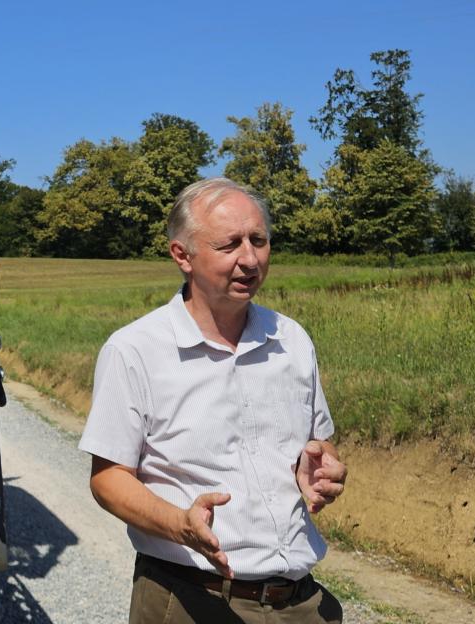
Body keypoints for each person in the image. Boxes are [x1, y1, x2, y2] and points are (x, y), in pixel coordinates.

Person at [79, 178, 349, 623]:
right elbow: (108, 479)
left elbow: (321, 444)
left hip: (300, 601)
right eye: (230, 245)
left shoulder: (291, 339)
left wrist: (323, 467)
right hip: (191, 599)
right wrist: (180, 526)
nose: (250, 259)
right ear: (182, 255)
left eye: (258, 240)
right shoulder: (135, 350)